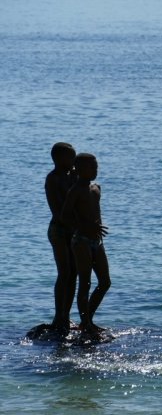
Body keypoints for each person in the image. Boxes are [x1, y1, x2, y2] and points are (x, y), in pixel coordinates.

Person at [61, 153, 110, 335]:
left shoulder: (96, 188)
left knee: (105, 282)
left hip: (97, 240)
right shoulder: (75, 190)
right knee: (85, 283)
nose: (95, 170)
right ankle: (86, 323)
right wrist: (84, 226)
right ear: (79, 169)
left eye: (96, 167)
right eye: (91, 167)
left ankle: (87, 319)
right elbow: (65, 215)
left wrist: (94, 229)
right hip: (81, 240)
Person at [45, 142, 78, 334]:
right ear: (58, 159)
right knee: (64, 272)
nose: (73, 161)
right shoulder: (53, 179)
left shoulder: (72, 176)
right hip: (59, 230)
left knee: (74, 273)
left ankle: (66, 315)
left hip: (73, 230)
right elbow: (57, 209)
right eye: (70, 157)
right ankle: (59, 316)